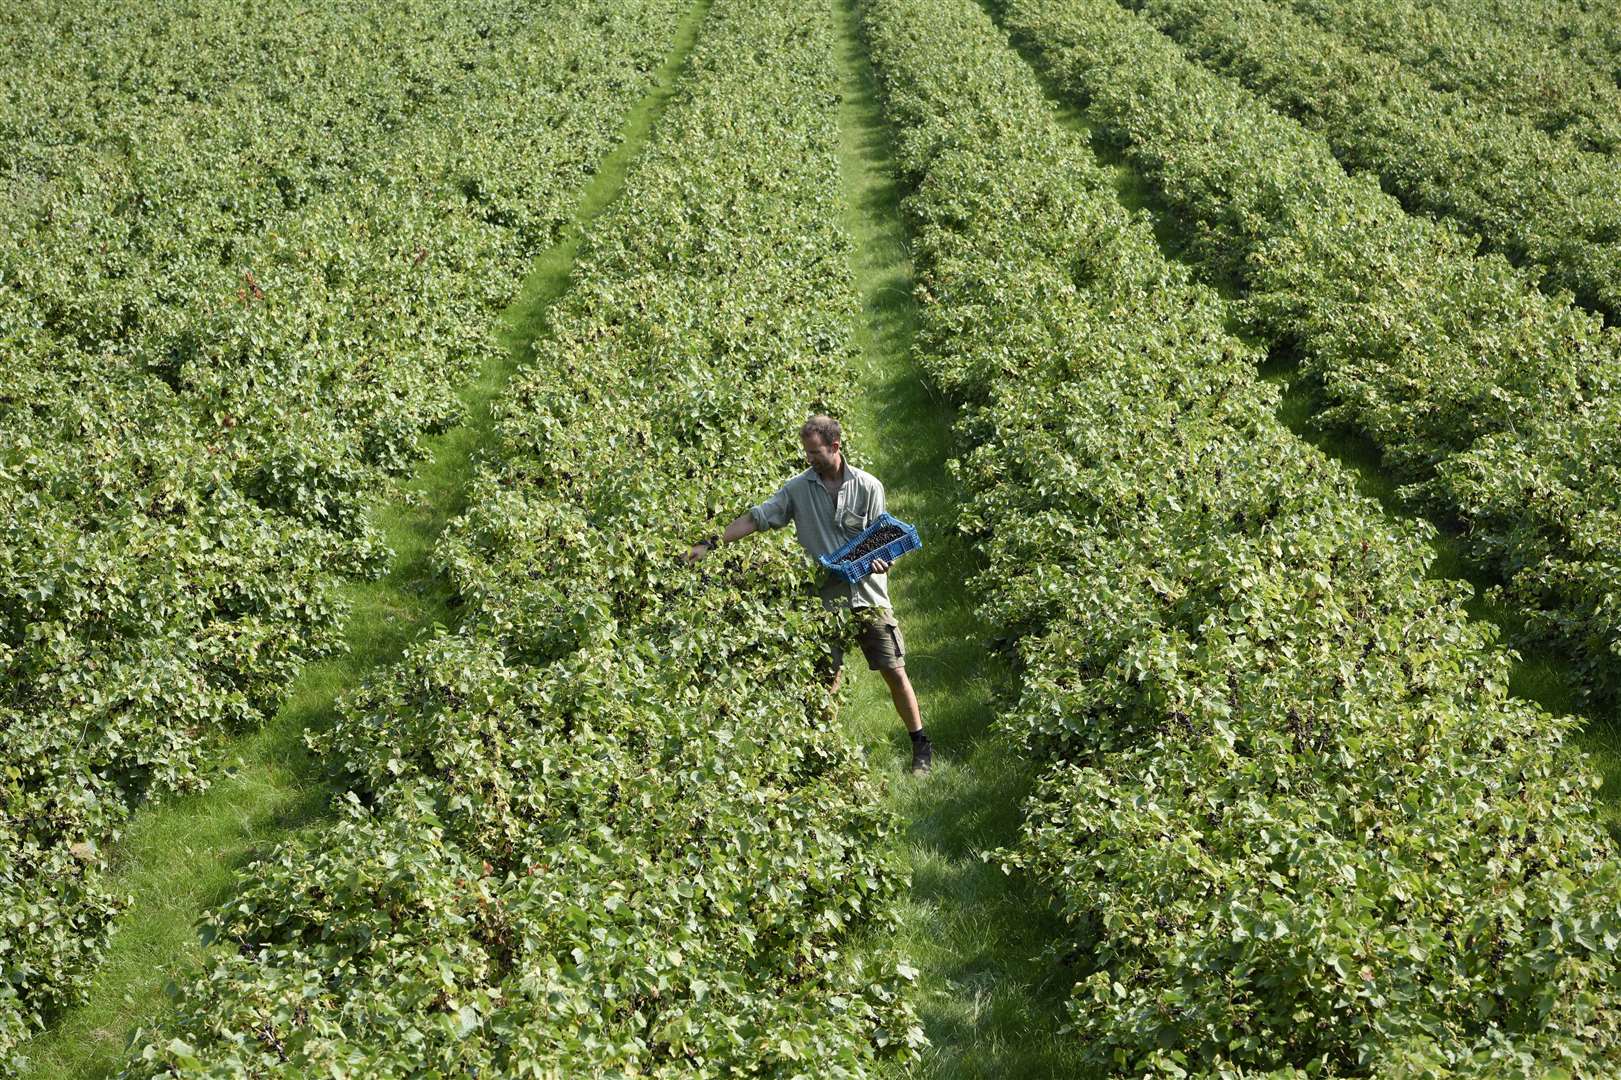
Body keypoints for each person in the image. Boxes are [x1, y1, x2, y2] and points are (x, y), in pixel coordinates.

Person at [683, 415, 931, 774]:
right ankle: (820, 752)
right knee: (824, 679)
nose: (809, 459)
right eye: (806, 452)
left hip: (868, 596)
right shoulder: (798, 489)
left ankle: (920, 745)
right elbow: (756, 518)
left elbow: (883, 540)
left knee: (893, 669)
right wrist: (710, 544)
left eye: (815, 452)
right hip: (824, 602)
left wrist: (883, 563)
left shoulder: (868, 486)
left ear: (835, 447)